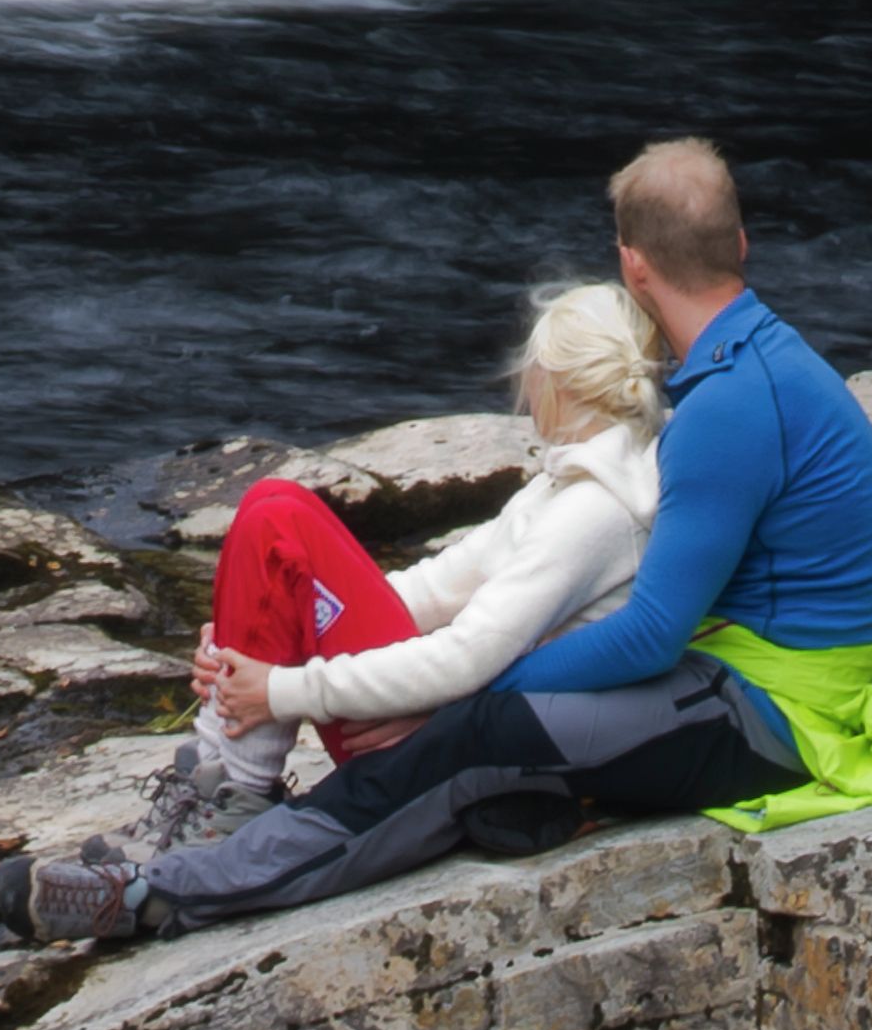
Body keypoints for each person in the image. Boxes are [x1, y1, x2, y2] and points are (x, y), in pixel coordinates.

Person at [8, 138, 872, 942]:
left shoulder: (730, 406)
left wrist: (471, 690)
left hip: (776, 720)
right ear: (741, 244)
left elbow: (654, 635)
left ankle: (160, 895)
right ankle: (249, 832)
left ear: (633, 265)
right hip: (759, 683)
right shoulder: (768, 363)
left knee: (480, 735)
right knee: (480, 732)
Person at [117, 284, 667, 869]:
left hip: (443, 751)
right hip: (441, 719)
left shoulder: (596, 513)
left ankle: (237, 796)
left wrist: (278, 688)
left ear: (556, 380)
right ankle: (216, 777)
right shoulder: (574, 481)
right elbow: (438, 586)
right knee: (272, 506)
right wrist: (258, 625)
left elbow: (467, 657)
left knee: (278, 513)